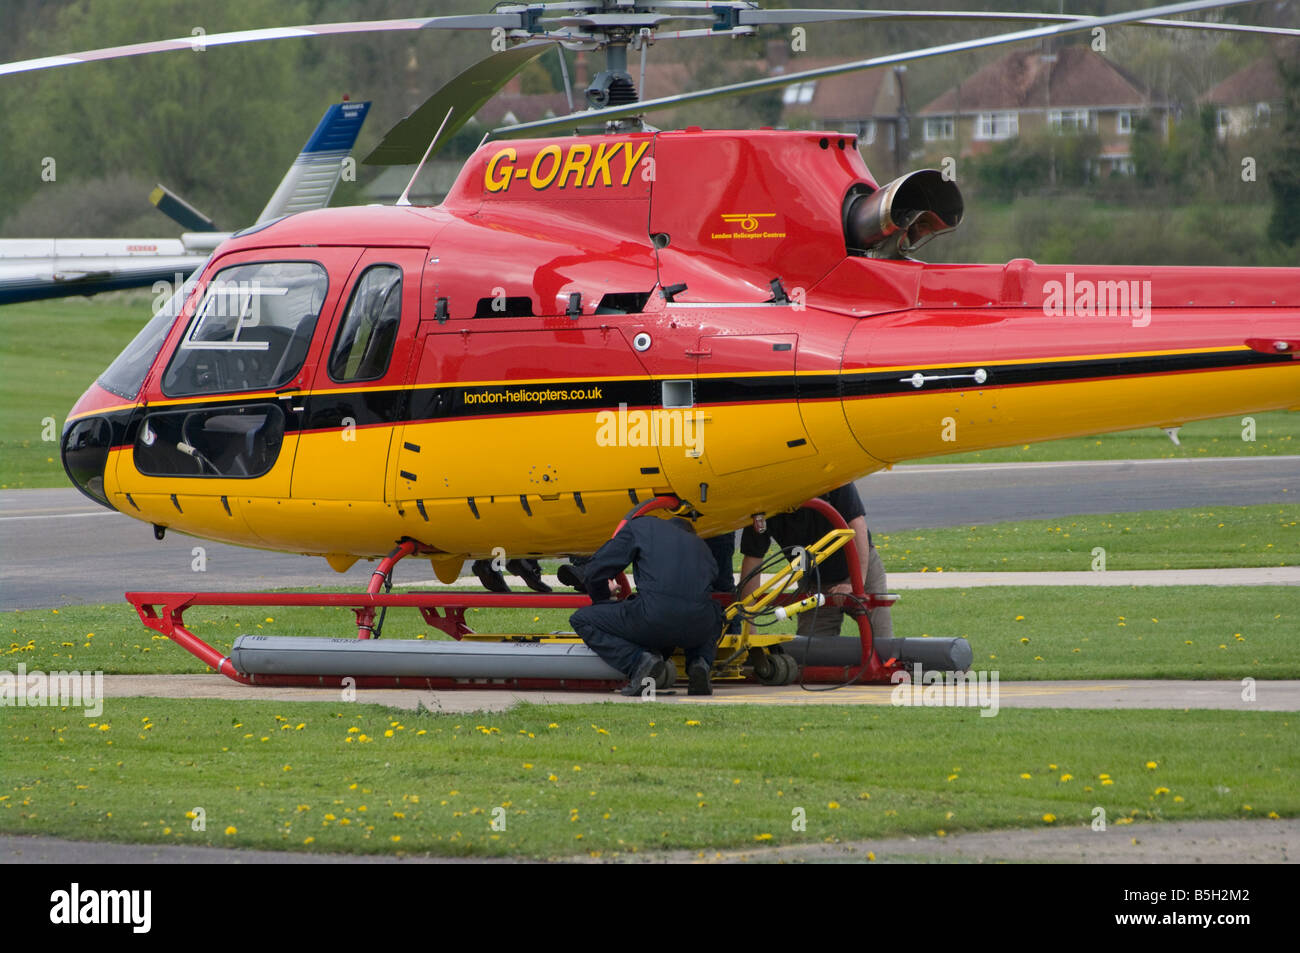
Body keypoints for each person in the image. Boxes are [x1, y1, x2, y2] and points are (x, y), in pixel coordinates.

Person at [570, 516, 724, 696]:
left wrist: (602, 601)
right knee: (715, 612)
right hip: (697, 627)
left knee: (580, 619)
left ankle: (639, 661)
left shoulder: (642, 527)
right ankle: (700, 662)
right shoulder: (702, 547)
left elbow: (595, 570)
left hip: (653, 617)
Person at [738, 483, 892, 642]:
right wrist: (750, 623)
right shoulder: (763, 502)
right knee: (809, 652)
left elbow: (857, 524)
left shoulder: (830, 476)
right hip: (814, 581)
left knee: (882, 644)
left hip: (859, 568)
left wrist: (856, 582)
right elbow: (753, 558)